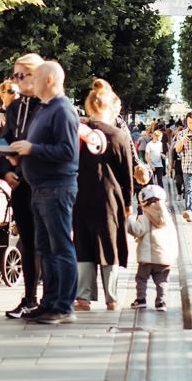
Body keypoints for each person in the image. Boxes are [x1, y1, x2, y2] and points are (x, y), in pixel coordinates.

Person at [12, 61, 80, 325]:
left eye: (35, 77)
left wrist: (32, 150)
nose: (31, 81)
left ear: (49, 79)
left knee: (60, 247)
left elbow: (67, 152)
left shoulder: (62, 110)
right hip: (41, 187)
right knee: (45, 248)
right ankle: (49, 302)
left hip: (56, 186)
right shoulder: (45, 109)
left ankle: (64, 305)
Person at [73, 80, 133, 312]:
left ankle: (83, 297)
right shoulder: (118, 135)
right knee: (110, 244)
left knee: (83, 243)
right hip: (110, 198)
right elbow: (125, 173)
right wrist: (128, 202)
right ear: (110, 107)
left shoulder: (79, 132)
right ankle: (112, 298)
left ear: (89, 107)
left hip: (81, 195)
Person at [0, 53, 44, 319]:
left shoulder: (47, 107)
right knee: (27, 240)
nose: (15, 81)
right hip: (19, 183)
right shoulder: (15, 107)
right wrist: (5, 172)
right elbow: (4, 141)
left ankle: (52, 296)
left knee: (46, 242)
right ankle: (29, 297)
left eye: (20, 75)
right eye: (14, 75)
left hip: (42, 183)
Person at [127, 185, 178, 312]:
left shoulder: (145, 217)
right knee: (162, 281)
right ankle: (161, 302)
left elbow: (137, 231)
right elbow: (173, 239)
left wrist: (129, 219)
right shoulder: (168, 219)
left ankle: (141, 300)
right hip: (164, 259)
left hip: (147, 258)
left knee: (141, 279)